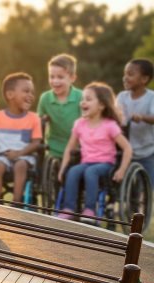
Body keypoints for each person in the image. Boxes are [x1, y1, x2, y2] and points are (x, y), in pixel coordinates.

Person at [57, 82, 132, 222]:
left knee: (91, 172)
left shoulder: (109, 125)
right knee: (73, 171)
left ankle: (90, 210)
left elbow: (127, 148)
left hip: (105, 164)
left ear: (102, 105)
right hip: (86, 162)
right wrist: (63, 169)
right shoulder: (79, 124)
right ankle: (69, 209)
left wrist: (121, 170)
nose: (83, 102)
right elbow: (69, 148)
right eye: (83, 99)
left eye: (88, 99)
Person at [0, 73, 42, 203]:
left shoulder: (33, 118)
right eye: (26, 91)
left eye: (32, 92)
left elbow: (36, 143)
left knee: (20, 165)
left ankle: (16, 202)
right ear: (10, 95)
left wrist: (19, 153)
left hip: (25, 156)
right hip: (3, 156)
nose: (31, 95)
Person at [38, 54, 82, 161]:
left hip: (78, 150)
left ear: (72, 78)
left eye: (60, 77)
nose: (55, 81)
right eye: (52, 77)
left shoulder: (82, 97)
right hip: (53, 150)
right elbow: (38, 123)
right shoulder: (45, 98)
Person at [116, 58, 154, 181]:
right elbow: (116, 114)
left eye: (130, 74)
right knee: (131, 186)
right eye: (124, 74)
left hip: (147, 151)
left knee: (148, 184)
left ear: (144, 79)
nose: (125, 77)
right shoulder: (122, 96)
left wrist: (142, 117)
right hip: (126, 152)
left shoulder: (151, 97)